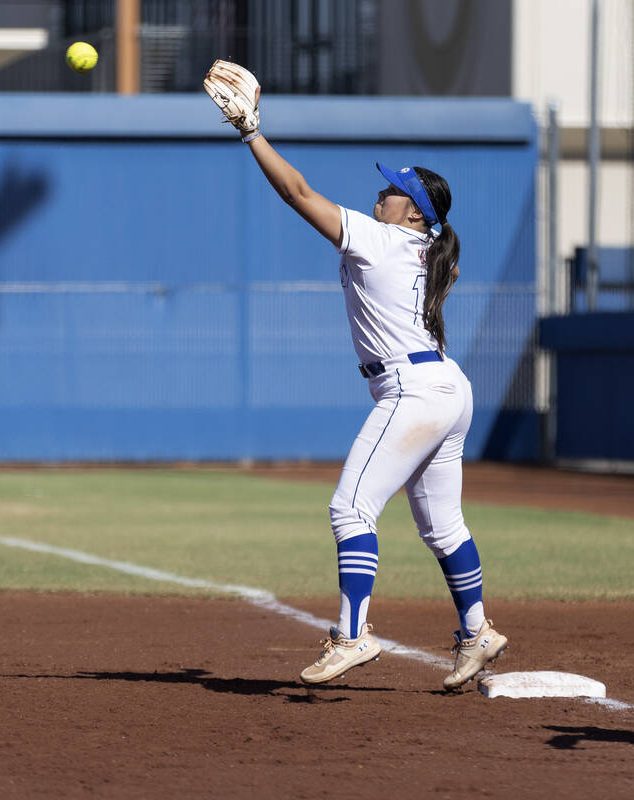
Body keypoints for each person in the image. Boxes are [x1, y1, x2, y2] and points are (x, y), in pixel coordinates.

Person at [203, 60, 508, 690]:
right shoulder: (426, 249)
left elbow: (297, 193)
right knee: (443, 527)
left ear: (414, 212)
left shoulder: (385, 240)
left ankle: (351, 636)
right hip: (449, 389)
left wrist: (251, 132)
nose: (380, 195)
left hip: (414, 390)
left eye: (393, 192)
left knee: (351, 510)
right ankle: (477, 632)